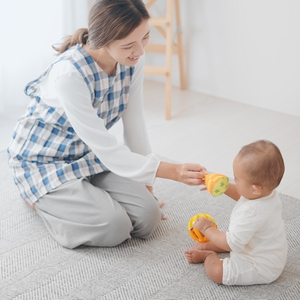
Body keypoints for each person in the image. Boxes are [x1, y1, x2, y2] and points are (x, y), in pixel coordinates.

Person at [7, 0, 207, 249]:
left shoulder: (132, 61)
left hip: (88, 154)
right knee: (115, 228)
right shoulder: (70, 75)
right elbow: (107, 149)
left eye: (145, 37)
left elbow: (135, 126)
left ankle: (87, 195)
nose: (140, 51)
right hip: (45, 161)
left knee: (148, 218)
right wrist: (174, 171)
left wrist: (148, 187)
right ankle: (38, 200)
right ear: (103, 41)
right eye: (128, 45)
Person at [184, 140, 287, 285]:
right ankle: (208, 245)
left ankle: (208, 255)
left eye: (237, 179)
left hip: (260, 266)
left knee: (218, 272)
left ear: (255, 189)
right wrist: (223, 187)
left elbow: (230, 244)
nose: (234, 181)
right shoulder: (267, 194)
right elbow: (242, 194)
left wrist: (207, 229)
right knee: (232, 239)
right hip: (260, 247)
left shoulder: (251, 213)